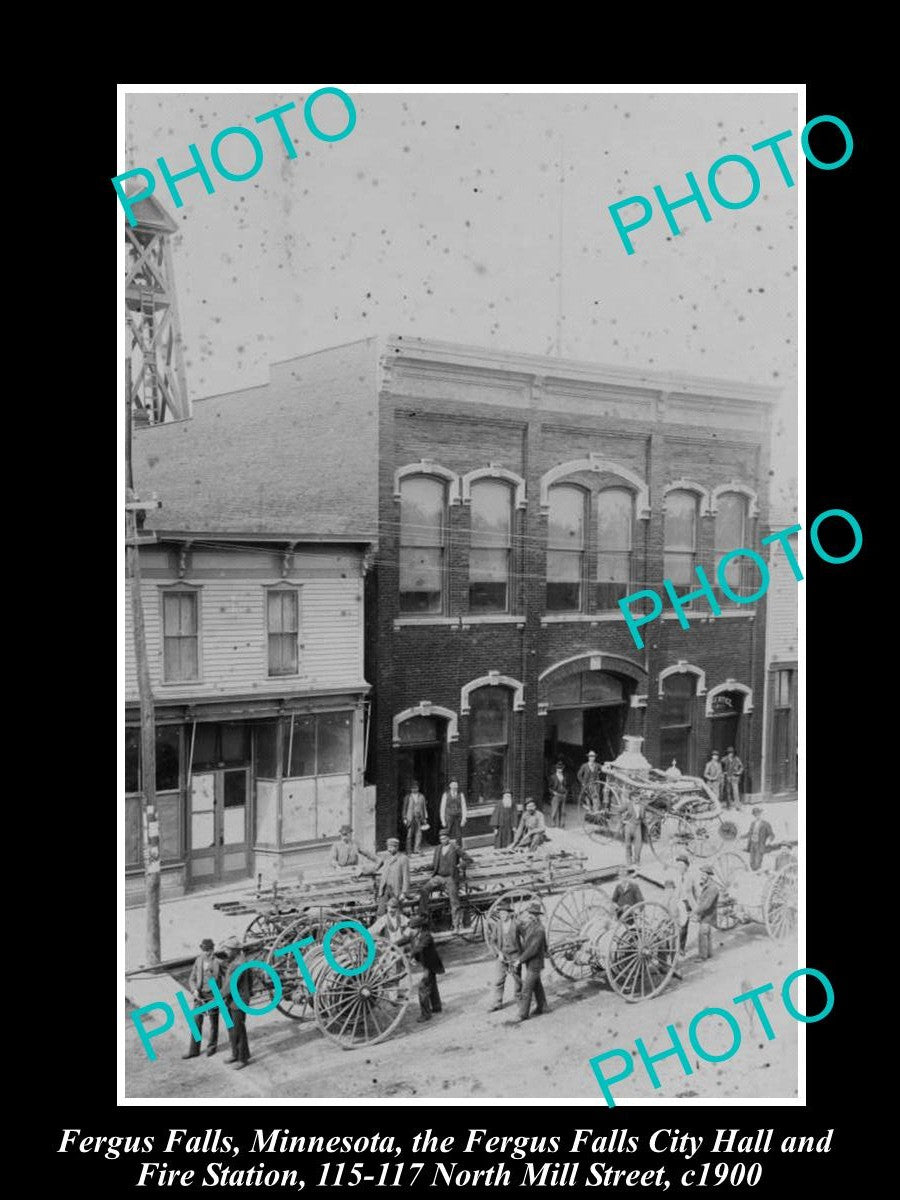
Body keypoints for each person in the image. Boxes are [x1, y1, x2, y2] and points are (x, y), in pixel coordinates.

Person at [182, 938, 224, 1059]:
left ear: (213, 949)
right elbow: (192, 978)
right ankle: (193, 1050)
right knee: (196, 1022)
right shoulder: (198, 961)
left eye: (209, 950)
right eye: (205, 950)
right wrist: (194, 989)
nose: (207, 953)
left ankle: (212, 1047)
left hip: (213, 996)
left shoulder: (218, 962)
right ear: (201, 950)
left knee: (213, 1022)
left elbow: (227, 977)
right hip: (200, 996)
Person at [419, 829, 469, 930]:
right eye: (441, 839)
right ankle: (423, 916)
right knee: (424, 889)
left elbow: (468, 858)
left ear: (448, 838)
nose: (443, 840)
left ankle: (456, 925)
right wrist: (424, 867)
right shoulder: (438, 848)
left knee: (454, 900)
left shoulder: (455, 847)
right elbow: (434, 864)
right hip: (439, 877)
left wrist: (461, 865)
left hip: (450, 878)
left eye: (444, 838)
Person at [219, 936, 254, 1069]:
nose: (226, 952)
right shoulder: (238, 960)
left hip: (237, 1001)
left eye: (228, 949)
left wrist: (218, 996)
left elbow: (230, 986)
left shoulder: (239, 965)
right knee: (232, 1028)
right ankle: (235, 1053)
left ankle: (243, 1058)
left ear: (234, 950)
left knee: (238, 1029)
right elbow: (250, 979)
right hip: (232, 1000)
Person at [514, 900, 549, 1022]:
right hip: (531, 962)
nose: (530, 915)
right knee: (537, 986)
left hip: (535, 963)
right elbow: (523, 933)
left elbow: (533, 949)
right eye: (530, 913)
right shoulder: (530, 925)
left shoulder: (539, 929)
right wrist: (516, 924)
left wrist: (520, 960)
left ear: (537, 915)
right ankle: (543, 1007)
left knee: (527, 988)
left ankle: (523, 1014)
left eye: (532, 914)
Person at [488, 897, 523, 1011]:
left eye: (504, 913)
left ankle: (519, 998)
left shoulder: (516, 924)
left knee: (517, 979)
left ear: (509, 913)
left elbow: (526, 938)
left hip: (515, 955)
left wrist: (521, 956)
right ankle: (497, 1003)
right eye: (500, 913)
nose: (502, 915)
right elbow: (492, 941)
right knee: (499, 979)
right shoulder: (498, 925)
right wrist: (499, 953)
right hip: (502, 956)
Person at [407, 914, 444, 1021]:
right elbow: (405, 939)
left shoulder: (427, 936)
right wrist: (393, 944)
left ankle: (425, 1014)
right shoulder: (416, 934)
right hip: (427, 964)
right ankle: (437, 1007)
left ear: (420, 927)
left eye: (413, 928)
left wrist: (410, 954)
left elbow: (419, 947)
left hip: (431, 965)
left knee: (423, 988)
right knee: (432, 985)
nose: (412, 931)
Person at [376, 837, 411, 914]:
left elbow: (406, 877)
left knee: (396, 912)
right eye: (388, 847)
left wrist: (404, 893)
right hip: (385, 888)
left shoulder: (403, 858)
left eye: (391, 847)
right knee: (381, 912)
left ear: (397, 847)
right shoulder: (386, 857)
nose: (389, 849)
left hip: (396, 890)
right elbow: (376, 867)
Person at [694, 863, 720, 961]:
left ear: (708, 875)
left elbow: (707, 905)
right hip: (707, 915)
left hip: (708, 915)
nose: (702, 876)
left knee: (702, 934)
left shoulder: (712, 888)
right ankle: (709, 953)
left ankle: (702, 956)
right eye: (701, 874)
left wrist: (695, 911)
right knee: (707, 934)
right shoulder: (708, 886)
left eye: (704, 874)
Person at [403, 780, 429, 855]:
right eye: (413, 788)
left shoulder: (422, 796)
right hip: (410, 818)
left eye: (416, 788)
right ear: (411, 789)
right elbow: (404, 808)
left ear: (418, 788)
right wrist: (404, 818)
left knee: (418, 834)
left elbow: (424, 808)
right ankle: (408, 851)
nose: (414, 789)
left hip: (418, 818)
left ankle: (417, 849)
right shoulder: (408, 797)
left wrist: (425, 818)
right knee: (409, 834)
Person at [746, 806, 775, 870]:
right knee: (751, 861)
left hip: (760, 845)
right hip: (752, 844)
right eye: (755, 815)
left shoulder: (766, 824)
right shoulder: (752, 823)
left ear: (761, 814)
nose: (757, 816)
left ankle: (758, 874)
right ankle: (753, 874)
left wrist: (769, 840)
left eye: (758, 814)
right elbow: (749, 833)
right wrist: (741, 837)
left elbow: (771, 834)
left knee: (758, 861)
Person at [439, 779, 468, 845]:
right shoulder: (445, 794)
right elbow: (442, 808)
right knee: (447, 832)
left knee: (459, 834)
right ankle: (446, 847)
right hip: (448, 817)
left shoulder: (461, 794)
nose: (455, 786)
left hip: (458, 817)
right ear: (450, 785)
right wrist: (443, 820)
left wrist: (464, 819)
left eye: (456, 785)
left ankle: (459, 849)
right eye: (453, 785)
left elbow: (464, 806)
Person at [622, 791, 646, 865]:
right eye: (635, 797)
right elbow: (618, 812)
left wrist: (646, 824)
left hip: (638, 827)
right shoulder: (628, 805)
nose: (637, 798)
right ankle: (629, 860)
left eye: (638, 797)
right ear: (631, 798)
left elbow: (643, 818)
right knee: (628, 844)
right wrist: (623, 821)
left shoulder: (642, 806)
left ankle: (637, 861)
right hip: (629, 826)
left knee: (638, 845)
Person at [547, 761, 569, 827]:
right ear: (556, 769)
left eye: (561, 768)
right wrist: (554, 793)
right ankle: (553, 824)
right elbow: (549, 787)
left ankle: (561, 824)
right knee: (554, 810)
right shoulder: (552, 777)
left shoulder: (564, 777)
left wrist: (565, 793)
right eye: (559, 768)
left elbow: (566, 786)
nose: (560, 770)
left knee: (563, 811)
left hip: (563, 795)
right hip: (556, 796)